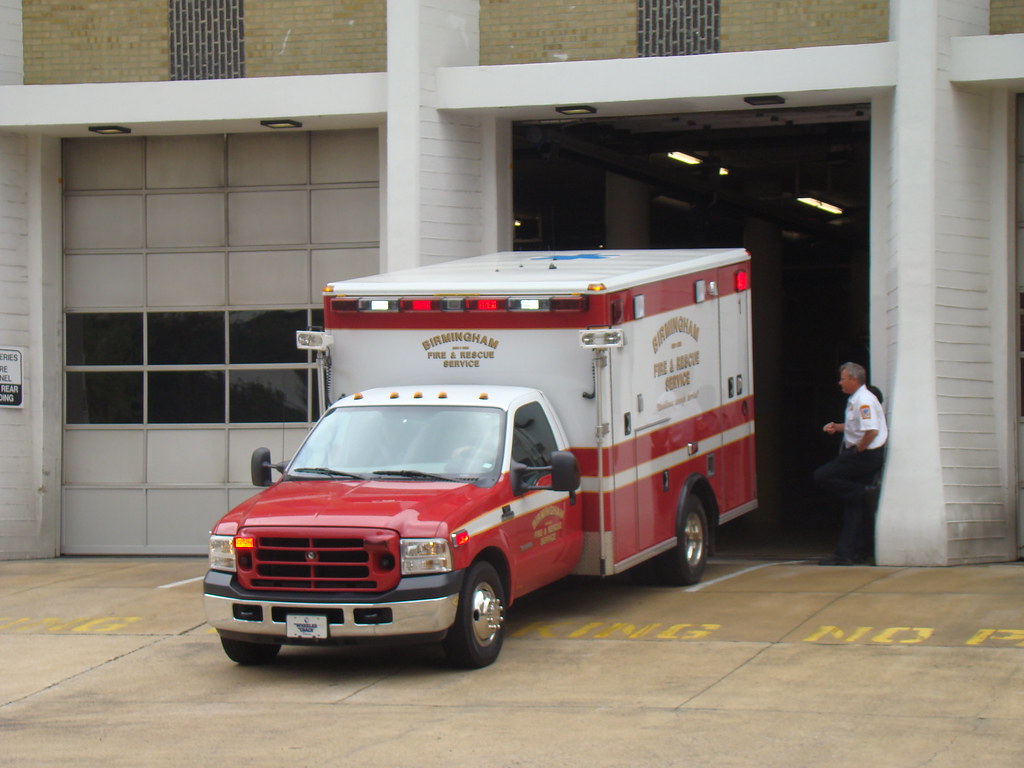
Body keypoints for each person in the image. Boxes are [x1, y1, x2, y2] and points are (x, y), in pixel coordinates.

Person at [813, 362, 888, 565]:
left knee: (822, 475)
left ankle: (862, 491)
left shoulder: (864, 401)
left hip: (864, 455)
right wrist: (838, 427)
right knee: (855, 508)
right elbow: (858, 425)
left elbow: (871, 431)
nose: (840, 382)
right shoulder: (857, 399)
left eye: (843, 378)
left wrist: (858, 449)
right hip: (862, 452)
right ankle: (852, 552)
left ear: (854, 380)